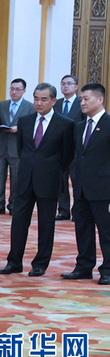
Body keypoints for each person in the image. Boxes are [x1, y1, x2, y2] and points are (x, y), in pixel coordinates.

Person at [0, 83, 74, 277]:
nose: (39, 103)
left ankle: (40, 264)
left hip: (49, 181)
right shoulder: (25, 121)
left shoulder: (65, 124)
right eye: (36, 99)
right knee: (18, 222)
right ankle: (14, 262)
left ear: (53, 101)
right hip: (25, 180)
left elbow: (66, 156)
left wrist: (51, 170)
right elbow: (24, 149)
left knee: (46, 224)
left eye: (44, 99)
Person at [61, 83, 110, 285]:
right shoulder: (79, 126)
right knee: (82, 228)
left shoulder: (108, 124)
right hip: (80, 188)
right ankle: (84, 267)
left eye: (86, 98)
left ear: (100, 100)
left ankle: (107, 270)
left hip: (103, 190)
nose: (82, 102)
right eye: (81, 98)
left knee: (106, 232)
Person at [0, 78, 34, 215]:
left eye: (17, 89)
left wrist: (19, 128)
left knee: (16, 178)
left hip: (17, 148)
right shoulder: (3, 105)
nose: (14, 92)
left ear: (24, 91)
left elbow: (31, 126)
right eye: (12, 89)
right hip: (1, 146)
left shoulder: (29, 107)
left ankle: (13, 204)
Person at [54, 75, 84, 221]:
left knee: (77, 181)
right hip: (60, 149)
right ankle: (63, 210)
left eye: (69, 84)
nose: (66, 86)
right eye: (63, 84)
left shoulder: (82, 103)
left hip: (76, 150)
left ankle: (77, 210)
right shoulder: (57, 104)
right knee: (61, 182)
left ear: (76, 87)